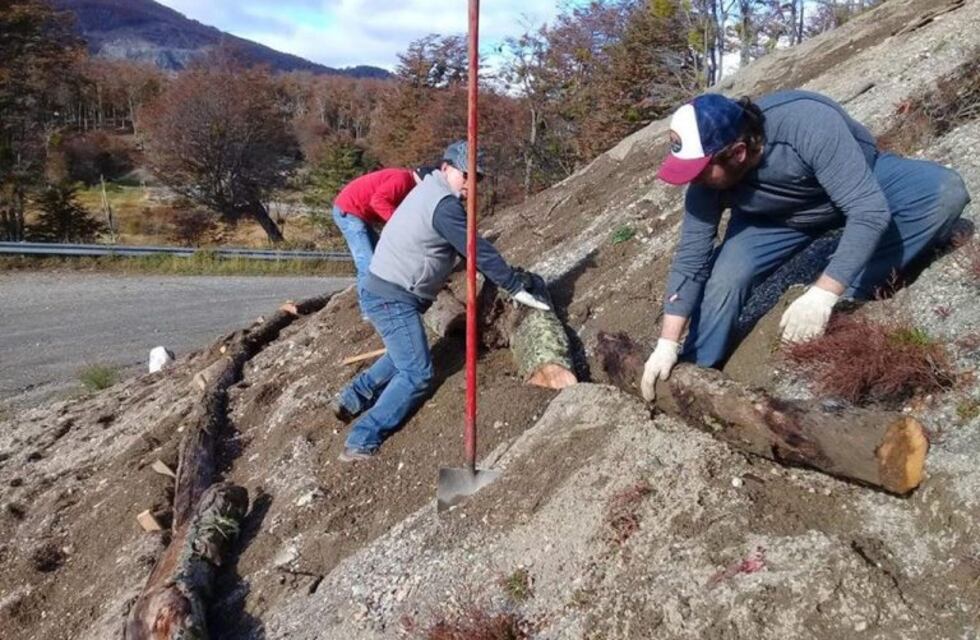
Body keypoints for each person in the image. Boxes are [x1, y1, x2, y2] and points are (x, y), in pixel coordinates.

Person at [641, 90, 971, 401]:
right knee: (727, 276)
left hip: (855, 183)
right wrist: (667, 344)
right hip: (775, 219)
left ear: (738, 152)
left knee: (944, 191)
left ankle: (855, 289)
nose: (692, 180)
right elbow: (690, 259)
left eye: (699, 171)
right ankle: (698, 368)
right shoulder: (706, 182)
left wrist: (823, 293)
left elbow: (868, 211)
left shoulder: (806, 123)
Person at [332, 141, 551, 461]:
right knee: (417, 372)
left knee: (402, 353)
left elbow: (450, 249)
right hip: (392, 296)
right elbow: (475, 247)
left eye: (476, 178)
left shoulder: (427, 192)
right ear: (446, 167)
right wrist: (513, 284)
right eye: (465, 174)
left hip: (387, 289)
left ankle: (354, 396)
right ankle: (362, 438)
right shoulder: (443, 205)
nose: (470, 183)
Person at [332, 165, 436, 290]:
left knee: (379, 258)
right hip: (349, 210)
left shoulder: (406, 184)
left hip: (358, 212)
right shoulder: (402, 180)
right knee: (367, 261)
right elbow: (378, 201)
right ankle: (367, 300)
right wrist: (398, 223)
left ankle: (376, 295)